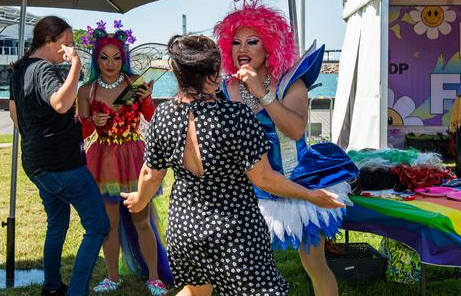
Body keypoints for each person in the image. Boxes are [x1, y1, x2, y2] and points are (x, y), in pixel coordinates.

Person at [120, 35, 346, 296]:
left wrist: (139, 199)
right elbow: (263, 179)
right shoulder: (236, 116)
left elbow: (151, 173)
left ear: (175, 71)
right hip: (234, 232)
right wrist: (310, 195)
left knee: (196, 290)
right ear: (215, 74)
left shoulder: (163, 115)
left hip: (185, 228)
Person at [214, 0, 359, 296]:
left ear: (269, 46)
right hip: (250, 188)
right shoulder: (224, 89)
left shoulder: (290, 83)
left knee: (314, 262)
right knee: (242, 268)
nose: (243, 49)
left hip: (300, 181)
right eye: (236, 42)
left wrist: (262, 93)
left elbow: (294, 129)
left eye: (252, 42)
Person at [9, 16, 110, 296]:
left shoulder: (19, 69)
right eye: (66, 43)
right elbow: (62, 103)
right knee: (98, 226)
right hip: (63, 166)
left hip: (36, 164)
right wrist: (76, 65)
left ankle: (52, 287)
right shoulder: (44, 70)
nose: (70, 49)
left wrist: (42, 135)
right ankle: (76, 292)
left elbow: (15, 114)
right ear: (49, 42)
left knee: (57, 223)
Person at [76, 21, 171, 295]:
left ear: (124, 57)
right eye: (104, 58)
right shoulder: (87, 90)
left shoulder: (136, 83)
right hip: (103, 159)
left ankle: (154, 276)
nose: (111, 63)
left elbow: (151, 117)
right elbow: (82, 132)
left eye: (117, 57)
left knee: (142, 220)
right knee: (109, 225)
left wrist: (149, 99)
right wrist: (93, 120)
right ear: (96, 58)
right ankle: (113, 276)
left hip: (133, 157)